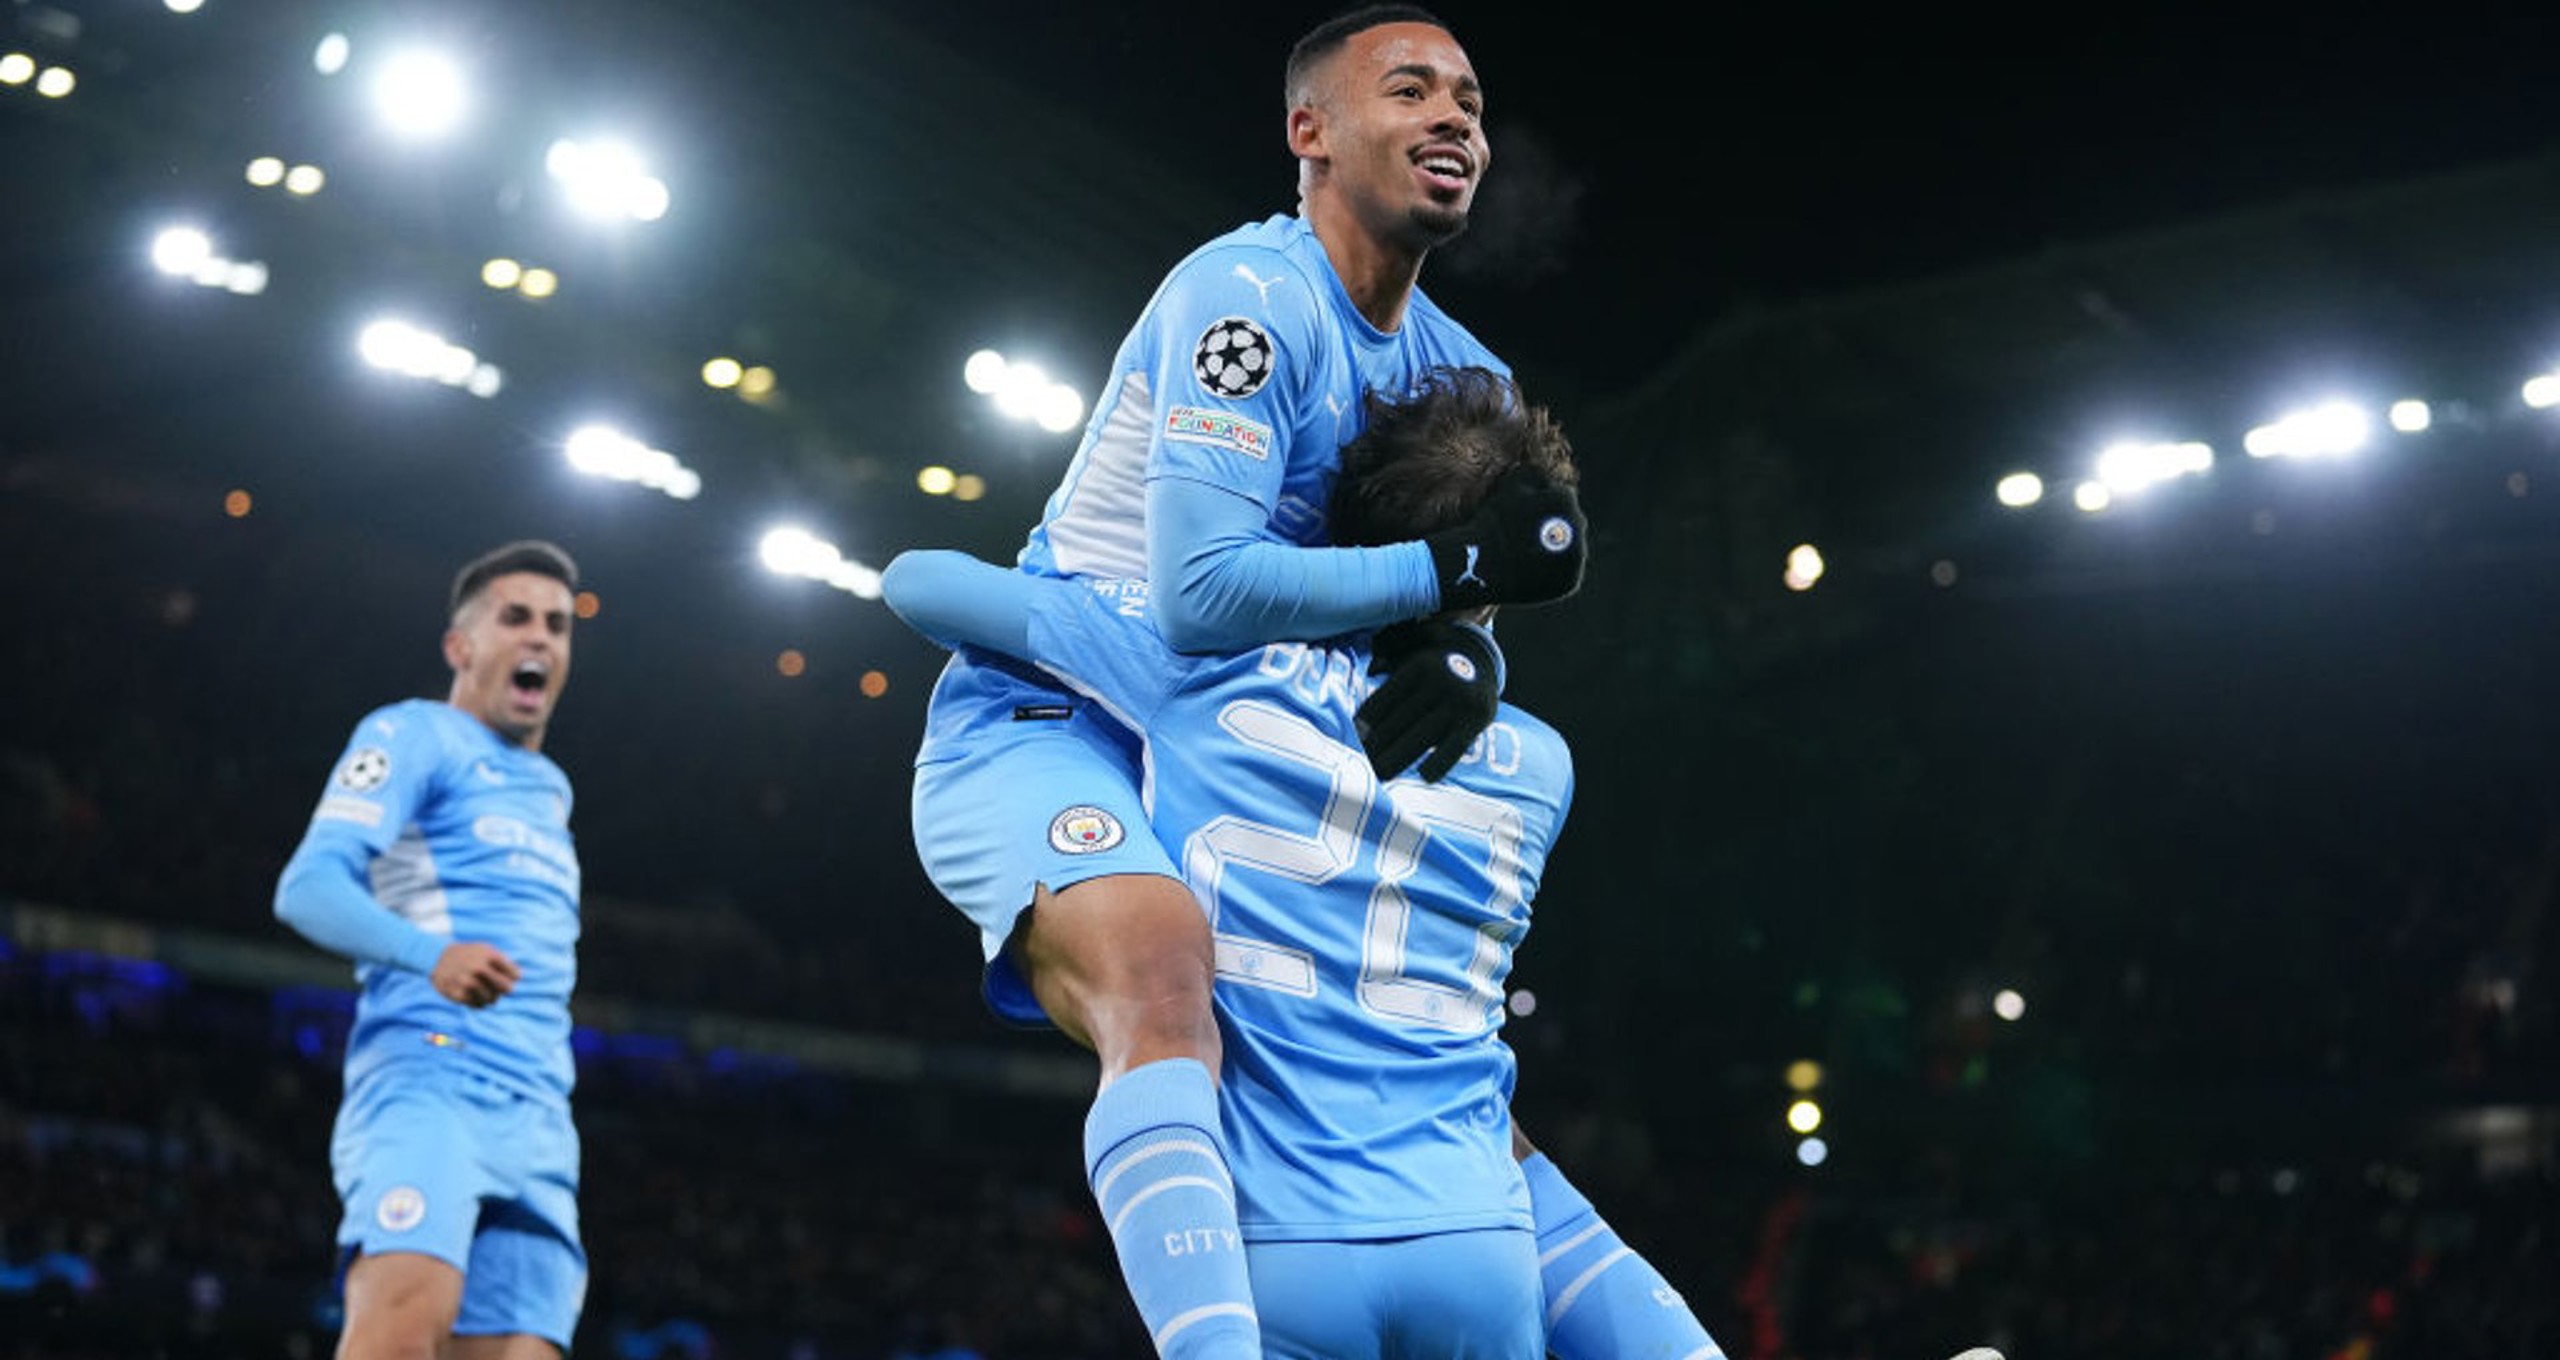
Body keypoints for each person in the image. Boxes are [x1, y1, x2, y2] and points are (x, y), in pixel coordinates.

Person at [906, 8, 1581, 1356]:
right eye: (1411, 89)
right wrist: (1444, 573)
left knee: (1437, 1094)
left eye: (1472, 98)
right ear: (1309, 131)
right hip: (1064, 714)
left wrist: (1471, 642)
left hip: (1256, 752)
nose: (1456, 117)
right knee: (1166, 970)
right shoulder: (1249, 301)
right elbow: (1203, 594)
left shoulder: (1474, 378)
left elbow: (1466, 596)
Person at [888, 368, 1727, 1358]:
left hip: (1276, 1243)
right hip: (1481, 1245)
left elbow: (920, 584)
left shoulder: (1204, 665)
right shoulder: (1543, 766)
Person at [273, 540, 588, 1360]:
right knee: (402, 1333)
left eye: (556, 626)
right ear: (461, 647)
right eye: (514, 618)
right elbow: (307, 887)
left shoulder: (551, 791)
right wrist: (429, 955)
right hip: (432, 1077)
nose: (539, 640)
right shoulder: (414, 734)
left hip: (541, 1115)